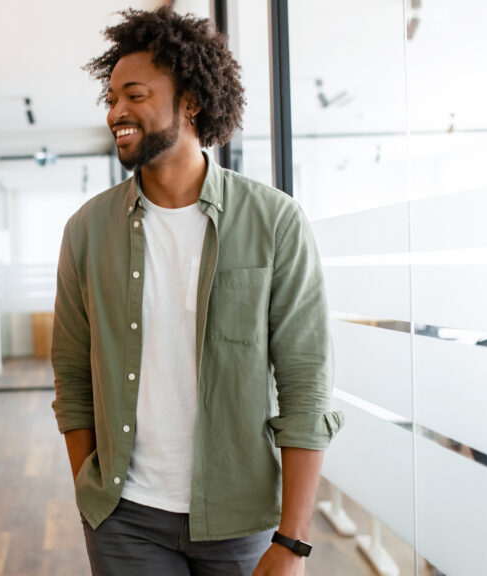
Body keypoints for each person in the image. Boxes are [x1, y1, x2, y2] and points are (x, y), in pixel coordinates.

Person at [51, 9, 343, 576]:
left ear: (190, 102)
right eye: (111, 99)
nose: (116, 112)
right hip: (125, 520)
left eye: (134, 95)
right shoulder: (87, 231)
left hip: (239, 520)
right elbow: (71, 373)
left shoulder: (274, 221)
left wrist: (294, 540)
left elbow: (305, 383)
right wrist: (95, 500)